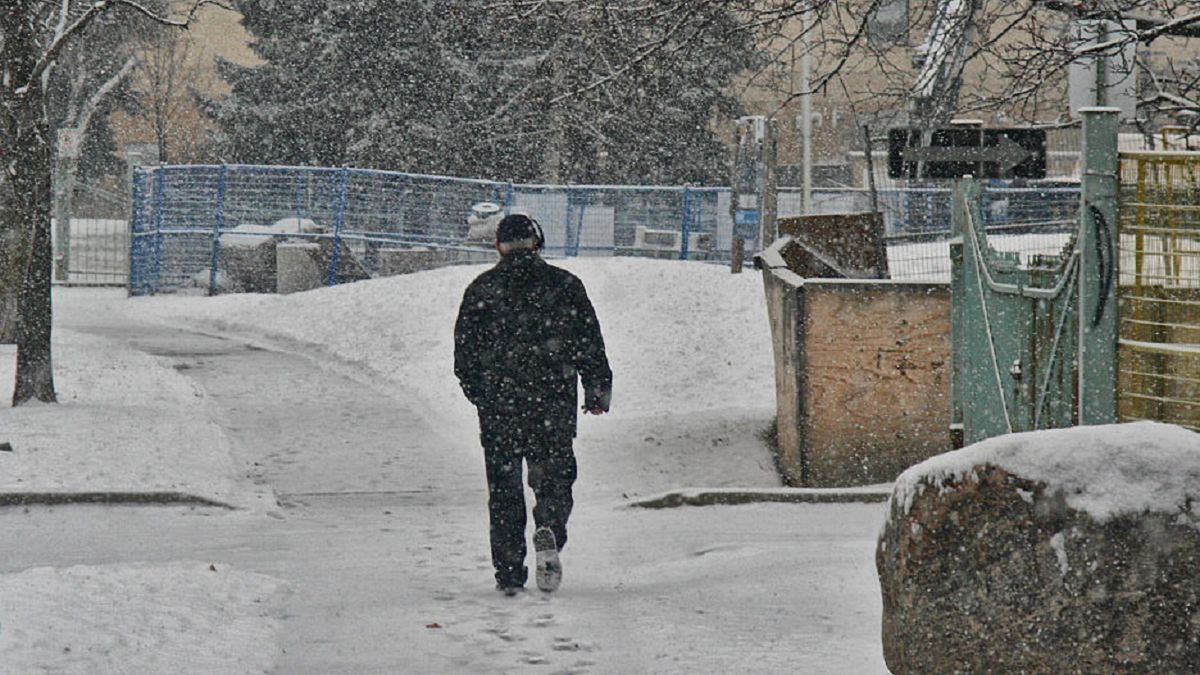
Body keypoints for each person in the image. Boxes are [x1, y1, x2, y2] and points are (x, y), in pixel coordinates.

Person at [454, 213, 612, 595]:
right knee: (555, 479)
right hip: (551, 403)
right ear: (537, 244)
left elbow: (465, 355)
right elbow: (588, 341)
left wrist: (483, 394)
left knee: (505, 490)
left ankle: (509, 572)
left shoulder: (482, 289)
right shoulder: (565, 287)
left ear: (498, 247)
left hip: (501, 408)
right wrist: (596, 390)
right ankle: (550, 530)